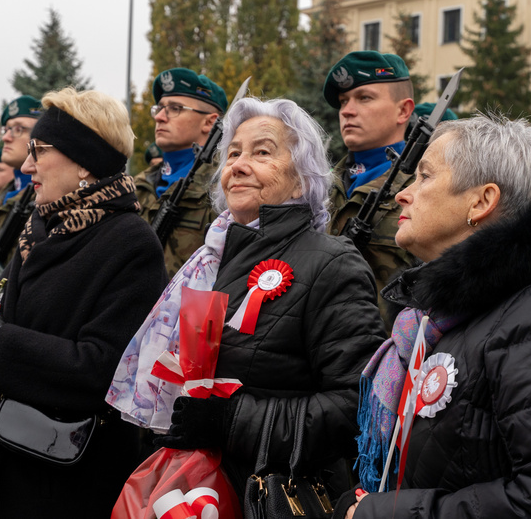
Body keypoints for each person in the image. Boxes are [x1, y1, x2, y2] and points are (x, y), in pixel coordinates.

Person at [341, 115, 531, 518]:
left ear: (481, 201)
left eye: (424, 176)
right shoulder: (446, 315)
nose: (403, 194)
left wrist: (385, 513)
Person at [110, 97, 386, 503]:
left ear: (301, 180)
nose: (237, 165)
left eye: (262, 152)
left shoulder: (332, 264)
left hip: (274, 500)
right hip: (191, 495)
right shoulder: (207, 263)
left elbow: (357, 408)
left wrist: (231, 420)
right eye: (233, 153)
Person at [0, 88, 167, 519]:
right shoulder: (41, 228)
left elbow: (102, 368)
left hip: (71, 474)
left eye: (40, 151)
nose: (27, 166)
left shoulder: (132, 242)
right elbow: (7, 312)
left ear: (85, 162)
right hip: (8, 453)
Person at [323, 51, 417, 329]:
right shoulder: (318, 186)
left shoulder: (424, 189)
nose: (347, 111)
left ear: (403, 110)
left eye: (364, 98)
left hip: (389, 356)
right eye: (343, 101)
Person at [134, 68, 227, 278]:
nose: (159, 117)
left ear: (210, 122)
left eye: (175, 108)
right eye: (159, 108)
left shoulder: (224, 186)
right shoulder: (137, 186)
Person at [0, 95, 42, 268]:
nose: (6, 137)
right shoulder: (2, 195)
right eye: (6, 129)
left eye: (18, 129)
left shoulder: (47, 195)